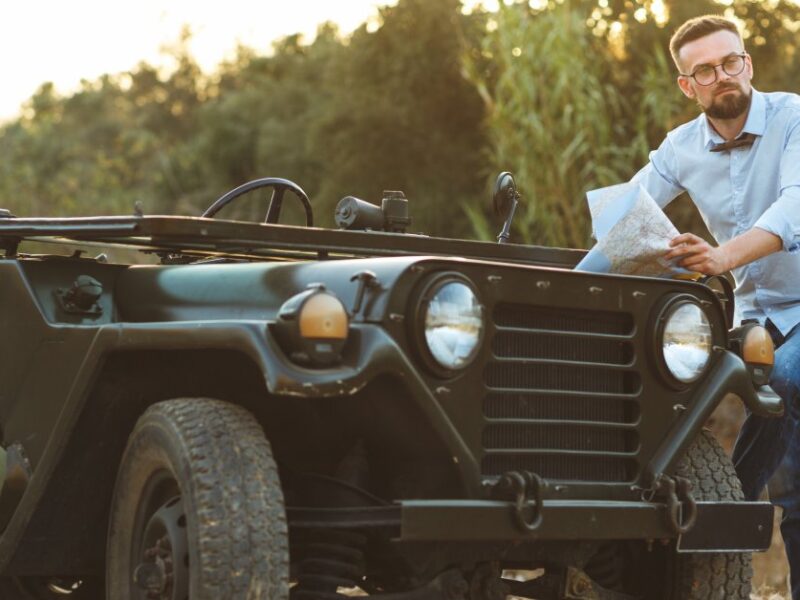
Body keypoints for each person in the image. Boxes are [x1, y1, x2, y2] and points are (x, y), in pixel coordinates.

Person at [630, 14, 800, 597]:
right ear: (687, 84)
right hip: (755, 315)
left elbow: (796, 206)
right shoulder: (679, 148)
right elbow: (624, 223)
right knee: (795, 481)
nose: (722, 76)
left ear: (747, 63)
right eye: (705, 69)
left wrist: (720, 257)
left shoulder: (794, 116)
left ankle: (720, 513)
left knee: (779, 376)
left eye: (731, 62)